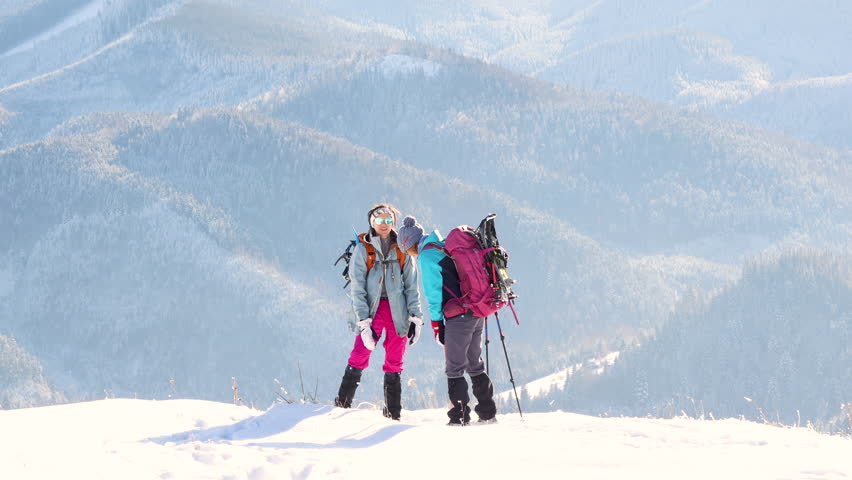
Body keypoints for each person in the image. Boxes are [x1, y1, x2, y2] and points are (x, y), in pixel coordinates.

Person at [397, 215, 497, 426]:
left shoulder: (426, 256)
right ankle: (487, 412)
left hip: (458, 316)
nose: (410, 256)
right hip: (476, 309)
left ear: (410, 246)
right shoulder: (444, 246)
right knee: (474, 364)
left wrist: (436, 325)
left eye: (407, 251)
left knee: (454, 368)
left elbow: (434, 295)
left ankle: (459, 417)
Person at [334, 204, 423, 420]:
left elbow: (412, 285)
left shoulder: (402, 247)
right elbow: (357, 288)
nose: (385, 225)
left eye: (389, 221)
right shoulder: (363, 249)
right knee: (359, 355)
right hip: (372, 311)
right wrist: (363, 322)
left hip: (398, 311)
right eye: (380, 220)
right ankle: (340, 407)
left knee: (395, 361)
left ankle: (393, 415)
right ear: (372, 222)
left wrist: (416, 317)